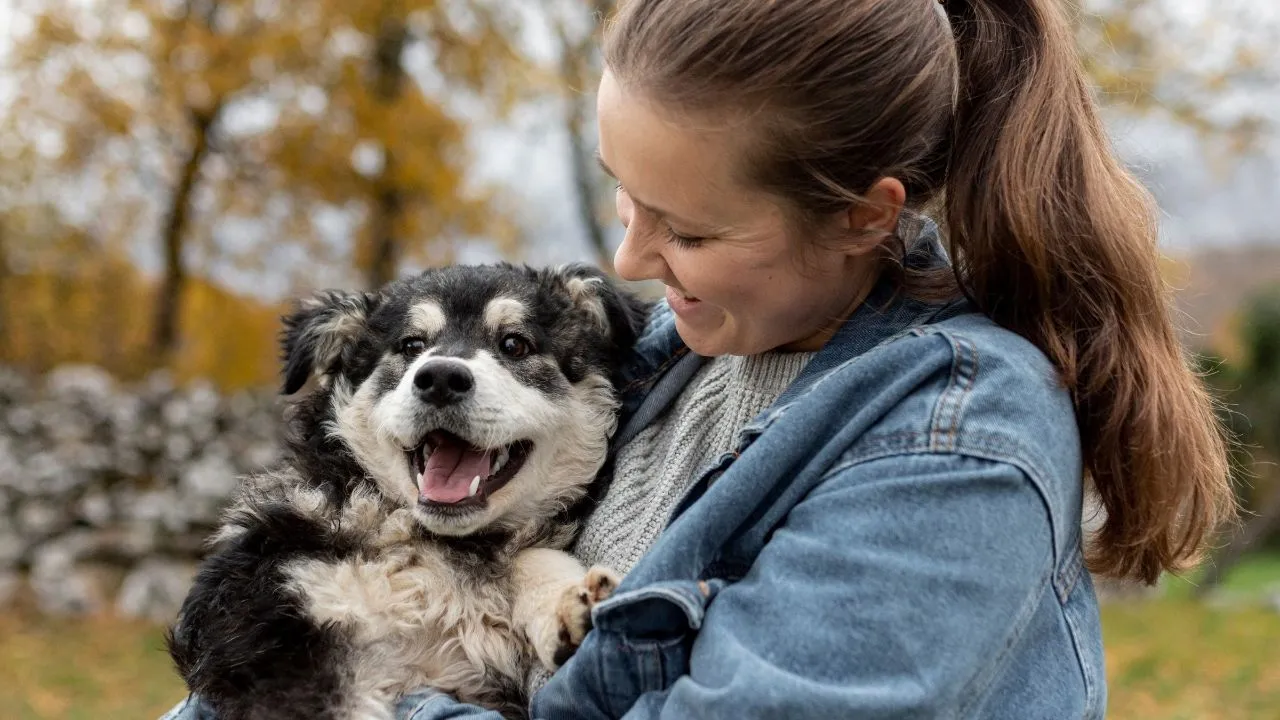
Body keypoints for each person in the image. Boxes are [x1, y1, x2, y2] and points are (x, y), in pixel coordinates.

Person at [163, 0, 1235, 717]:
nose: (629, 256)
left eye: (688, 229)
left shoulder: (953, 454)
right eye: (624, 194)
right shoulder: (664, 359)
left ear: (865, 218)